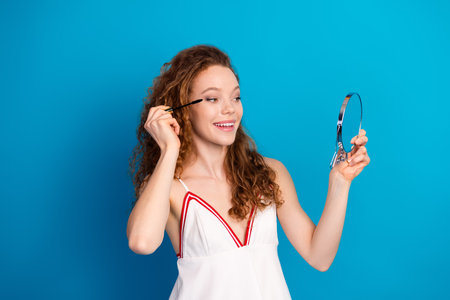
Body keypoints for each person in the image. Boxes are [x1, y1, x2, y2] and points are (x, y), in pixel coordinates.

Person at [126, 44, 370, 299]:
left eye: (235, 97)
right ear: (184, 111)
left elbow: (319, 257)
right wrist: (168, 149)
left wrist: (340, 182)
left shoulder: (269, 173)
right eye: (212, 98)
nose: (230, 108)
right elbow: (141, 242)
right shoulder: (170, 186)